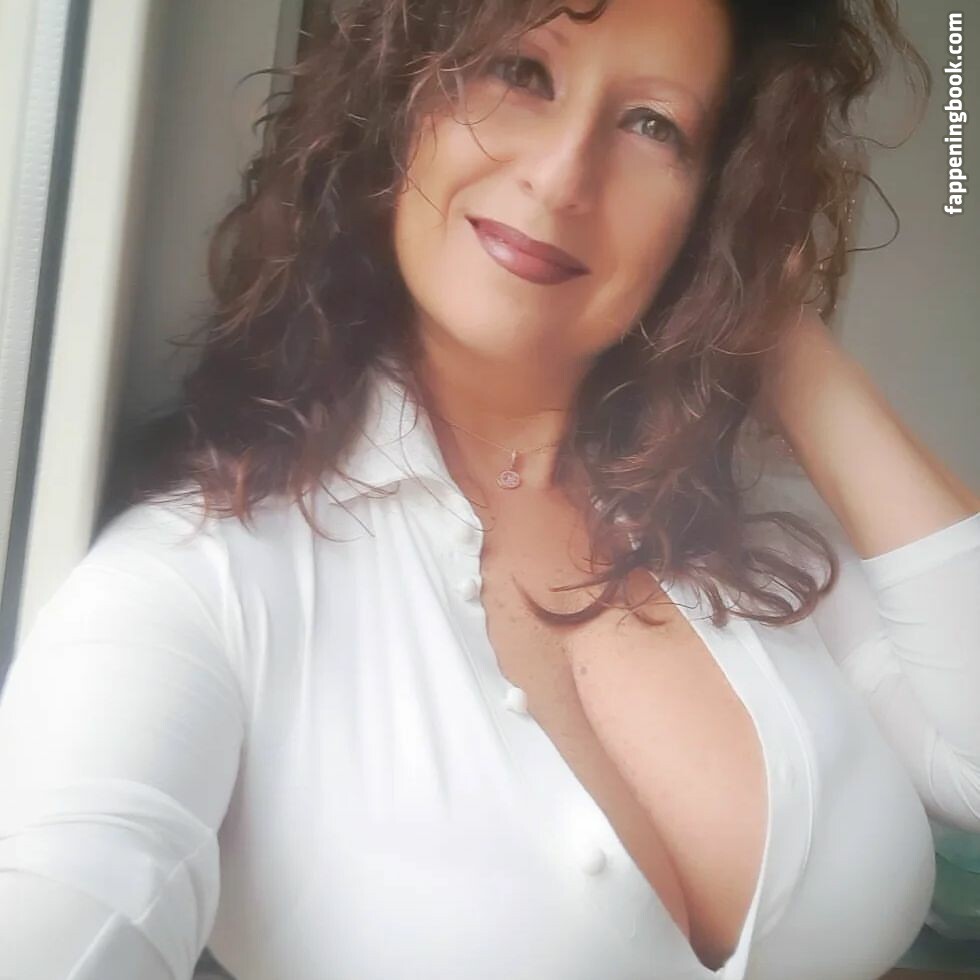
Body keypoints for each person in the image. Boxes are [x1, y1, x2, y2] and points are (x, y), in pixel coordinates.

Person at [1, 0, 978, 978]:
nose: (562, 176)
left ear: (708, 201)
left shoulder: (756, 531)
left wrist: (775, 332)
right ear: (400, 100)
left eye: (652, 124)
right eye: (520, 72)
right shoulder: (201, 581)